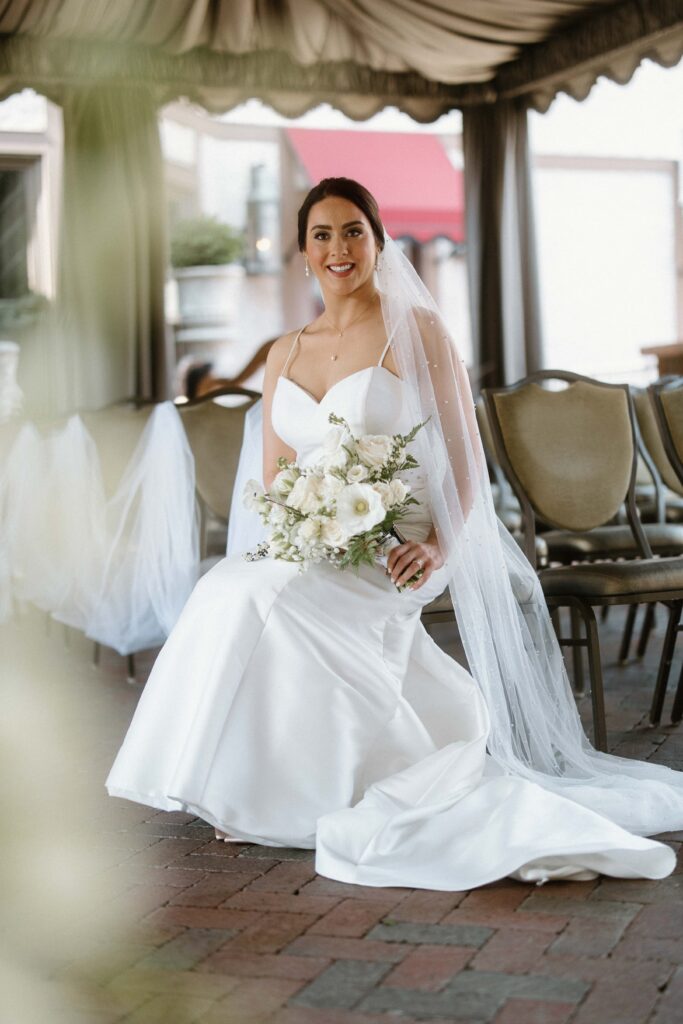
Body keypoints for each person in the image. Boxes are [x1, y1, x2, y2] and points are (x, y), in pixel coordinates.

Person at [106, 178, 683, 890]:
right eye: (322, 235)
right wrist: (299, 524)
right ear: (303, 251)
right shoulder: (285, 351)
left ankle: (284, 794)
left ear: (378, 242)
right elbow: (277, 476)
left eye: (353, 231)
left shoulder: (416, 330)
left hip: (404, 540)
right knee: (227, 587)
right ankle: (244, 789)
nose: (338, 248)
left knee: (268, 599)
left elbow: (465, 456)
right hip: (317, 532)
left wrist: (439, 543)